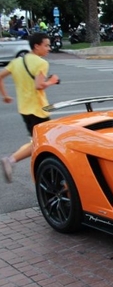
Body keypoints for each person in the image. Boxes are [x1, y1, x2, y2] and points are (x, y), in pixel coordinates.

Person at [0, 33, 60, 183]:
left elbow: (0, 76)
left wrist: (5, 95)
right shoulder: (41, 63)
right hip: (38, 109)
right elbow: (39, 85)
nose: (49, 48)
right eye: (46, 45)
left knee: (35, 140)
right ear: (36, 46)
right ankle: (11, 160)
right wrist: (52, 81)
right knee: (41, 142)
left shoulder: (18, 61)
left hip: (24, 109)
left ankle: (16, 161)